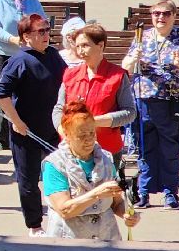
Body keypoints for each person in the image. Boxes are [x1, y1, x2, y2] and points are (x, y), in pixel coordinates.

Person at [0, 13, 67, 236]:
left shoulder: (54, 55)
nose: (46, 35)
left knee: (61, 174)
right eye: (41, 31)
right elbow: (1, 94)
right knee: (28, 180)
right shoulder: (19, 60)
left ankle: (62, 215)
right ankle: (35, 225)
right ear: (26, 36)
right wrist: (16, 122)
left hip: (54, 128)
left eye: (48, 30)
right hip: (26, 131)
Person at [53, 23, 135, 196]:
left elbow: (129, 112)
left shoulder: (118, 76)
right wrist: (63, 131)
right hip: (73, 149)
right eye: (78, 46)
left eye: (85, 45)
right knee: (75, 199)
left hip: (107, 150)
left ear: (101, 45)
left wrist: (94, 122)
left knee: (106, 202)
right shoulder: (70, 74)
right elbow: (58, 108)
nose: (80, 50)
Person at [43, 102, 141, 240]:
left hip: (107, 239)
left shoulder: (106, 159)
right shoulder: (54, 164)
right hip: (67, 243)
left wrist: (127, 214)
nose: (89, 139)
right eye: (82, 135)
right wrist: (96, 194)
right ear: (66, 134)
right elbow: (64, 210)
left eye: (91, 133)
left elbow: (116, 202)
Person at [122, 0, 179, 208]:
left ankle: (170, 193)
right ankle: (144, 191)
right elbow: (126, 66)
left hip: (170, 100)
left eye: (166, 14)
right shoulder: (143, 37)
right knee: (145, 147)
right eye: (156, 14)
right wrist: (133, 59)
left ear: (174, 16)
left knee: (169, 149)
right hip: (144, 98)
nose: (161, 18)